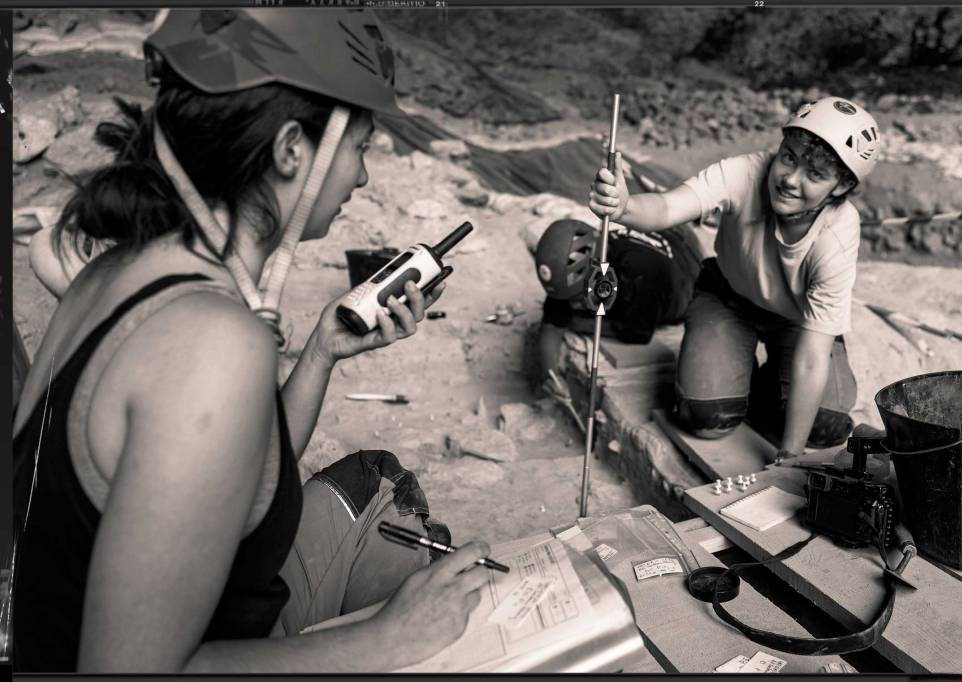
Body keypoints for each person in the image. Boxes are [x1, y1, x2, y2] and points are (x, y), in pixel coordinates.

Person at [11, 9, 490, 673]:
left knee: (372, 480)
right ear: (293, 147)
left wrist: (321, 349)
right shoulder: (212, 341)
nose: (363, 178)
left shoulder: (124, 272)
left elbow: (221, 485)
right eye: (361, 147)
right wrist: (385, 640)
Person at [590, 97, 881, 460]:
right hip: (728, 298)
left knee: (825, 426)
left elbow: (812, 356)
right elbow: (669, 206)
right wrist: (625, 207)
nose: (790, 180)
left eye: (815, 174)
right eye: (788, 157)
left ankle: (763, 384)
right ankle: (737, 372)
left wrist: (789, 454)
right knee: (705, 416)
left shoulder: (837, 235)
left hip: (797, 320)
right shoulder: (743, 173)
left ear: (840, 187)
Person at [533, 218, 696, 392]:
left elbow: (635, 332)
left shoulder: (644, 275)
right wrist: (550, 376)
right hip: (656, 235)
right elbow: (552, 324)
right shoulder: (574, 267)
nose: (575, 306)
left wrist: (575, 323)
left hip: (686, 261)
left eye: (579, 297)